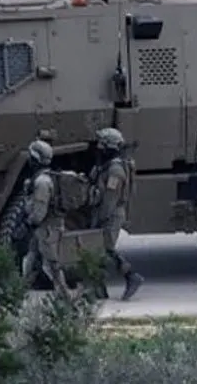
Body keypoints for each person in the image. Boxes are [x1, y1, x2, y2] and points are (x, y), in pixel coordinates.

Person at [89, 127, 143, 301]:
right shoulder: (106, 167)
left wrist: (100, 220)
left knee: (106, 249)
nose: (99, 148)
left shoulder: (115, 171)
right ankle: (99, 289)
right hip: (106, 213)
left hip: (111, 214)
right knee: (100, 250)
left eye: (102, 145)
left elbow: (110, 200)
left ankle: (131, 276)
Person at [22, 139, 72, 300]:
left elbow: (40, 211)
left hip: (48, 228)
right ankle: (20, 289)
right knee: (31, 258)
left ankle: (65, 296)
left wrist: (29, 222)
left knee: (51, 264)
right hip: (44, 228)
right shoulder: (44, 178)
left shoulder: (42, 182)